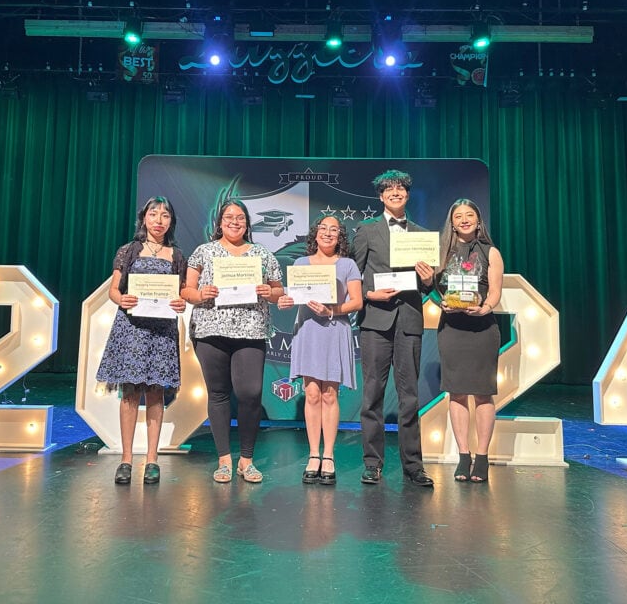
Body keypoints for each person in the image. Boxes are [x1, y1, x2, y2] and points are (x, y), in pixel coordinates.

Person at [180, 199, 284, 484]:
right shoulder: (204, 252)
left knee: (250, 392)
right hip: (210, 330)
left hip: (251, 329)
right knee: (218, 393)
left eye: (240, 217)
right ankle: (225, 460)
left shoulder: (262, 254)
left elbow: (279, 291)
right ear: (220, 222)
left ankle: (246, 460)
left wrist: (269, 292)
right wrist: (200, 295)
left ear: (247, 223)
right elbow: (186, 290)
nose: (234, 221)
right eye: (229, 217)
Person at [351, 170, 436, 487]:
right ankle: (372, 463)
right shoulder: (366, 230)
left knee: (409, 396)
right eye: (389, 189)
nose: (395, 193)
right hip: (375, 319)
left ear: (408, 194)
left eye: (400, 188)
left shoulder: (422, 235)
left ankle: (413, 465)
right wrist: (368, 294)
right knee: (372, 394)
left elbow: (428, 286)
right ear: (381, 196)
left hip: (409, 319)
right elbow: (352, 275)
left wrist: (429, 279)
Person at [95, 196, 188, 486]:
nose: (159, 220)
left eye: (165, 215)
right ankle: (126, 459)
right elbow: (114, 289)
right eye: (153, 214)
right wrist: (121, 298)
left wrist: (180, 303)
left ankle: (151, 460)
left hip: (162, 332)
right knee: (130, 393)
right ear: (144, 218)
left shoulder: (176, 255)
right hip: (131, 328)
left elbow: (182, 292)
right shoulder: (128, 251)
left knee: (156, 394)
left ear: (171, 222)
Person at [277, 215, 363, 486]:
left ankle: (329, 455)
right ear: (315, 234)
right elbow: (294, 297)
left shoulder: (348, 264)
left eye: (333, 229)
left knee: (329, 394)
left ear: (340, 237)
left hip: (335, 329)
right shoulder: (301, 264)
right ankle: (313, 454)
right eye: (323, 228)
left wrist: (332, 310)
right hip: (308, 330)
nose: (328, 233)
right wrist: (285, 301)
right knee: (312, 394)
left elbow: (357, 302)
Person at [433, 198, 503, 484]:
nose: (464, 220)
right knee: (457, 392)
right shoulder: (441, 252)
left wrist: (486, 308)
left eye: (469, 215)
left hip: (482, 329)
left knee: (483, 393)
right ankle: (464, 455)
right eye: (458, 216)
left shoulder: (491, 252)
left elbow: (495, 291)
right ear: (451, 222)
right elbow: (432, 289)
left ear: (478, 219)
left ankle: (482, 457)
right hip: (452, 328)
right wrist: (440, 302)